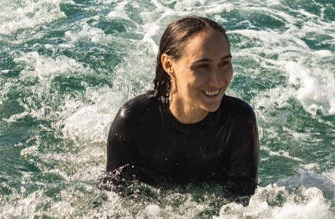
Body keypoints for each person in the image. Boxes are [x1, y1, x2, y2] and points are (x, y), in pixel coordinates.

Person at [105, 16, 259, 202]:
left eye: (224, 63)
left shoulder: (239, 121)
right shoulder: (133, 121)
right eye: (202, 66)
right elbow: (113, 200)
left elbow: (243, 200)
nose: (216, 80)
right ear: (169, 65)